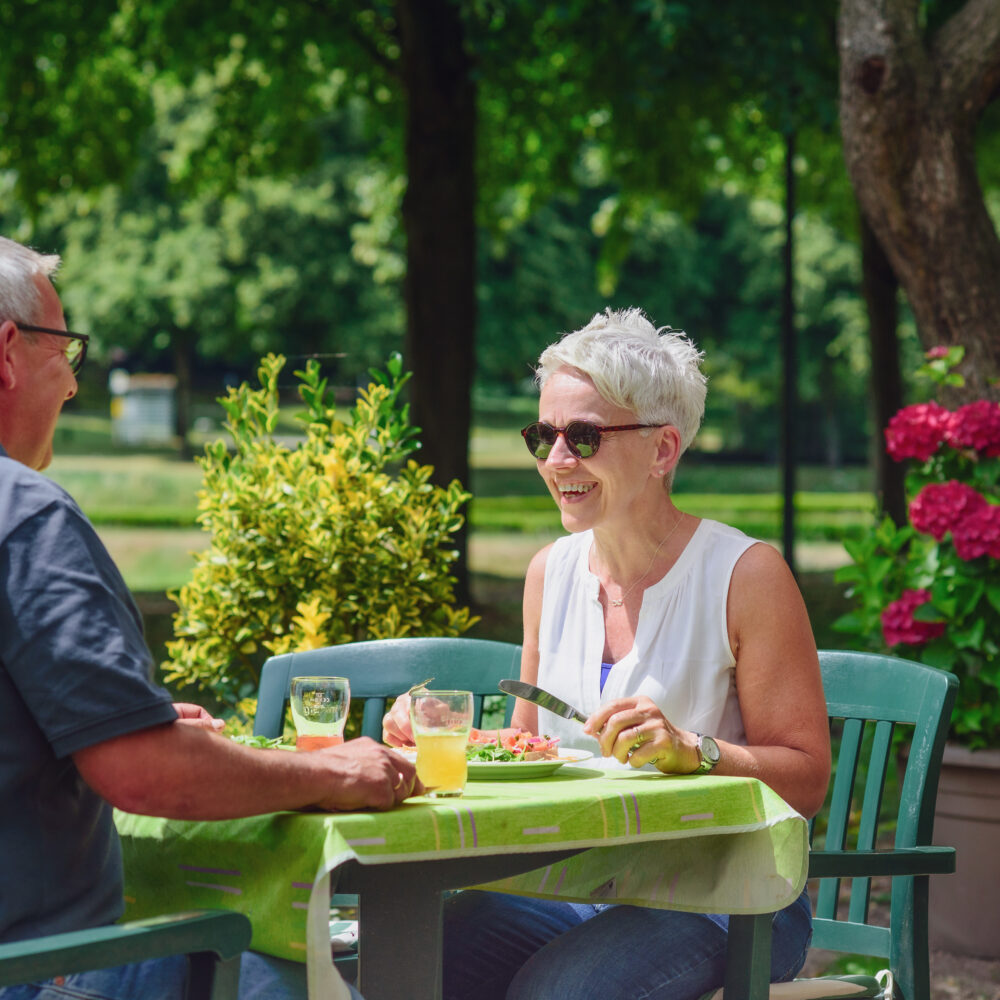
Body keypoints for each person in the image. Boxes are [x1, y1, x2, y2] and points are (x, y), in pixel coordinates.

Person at [0, 235, 422, 1000]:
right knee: (298, 969)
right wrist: (330, 770)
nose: (68, 385)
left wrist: (122, 724)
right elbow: (142, 775)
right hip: (36, 973)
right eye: (66, 349)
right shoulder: (23, 515)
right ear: (7, 351)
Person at [383, 307, 831, 1000]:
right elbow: (530, 747)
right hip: (576, 882)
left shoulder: (746, 575)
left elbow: (806, 778)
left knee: (556, 993)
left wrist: (696, 750)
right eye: (543, 435)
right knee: (410, 960)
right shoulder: (549, 573)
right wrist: (445, 735)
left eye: (584, 436)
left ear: (662, 450)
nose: (558, 460)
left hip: (731, 892)